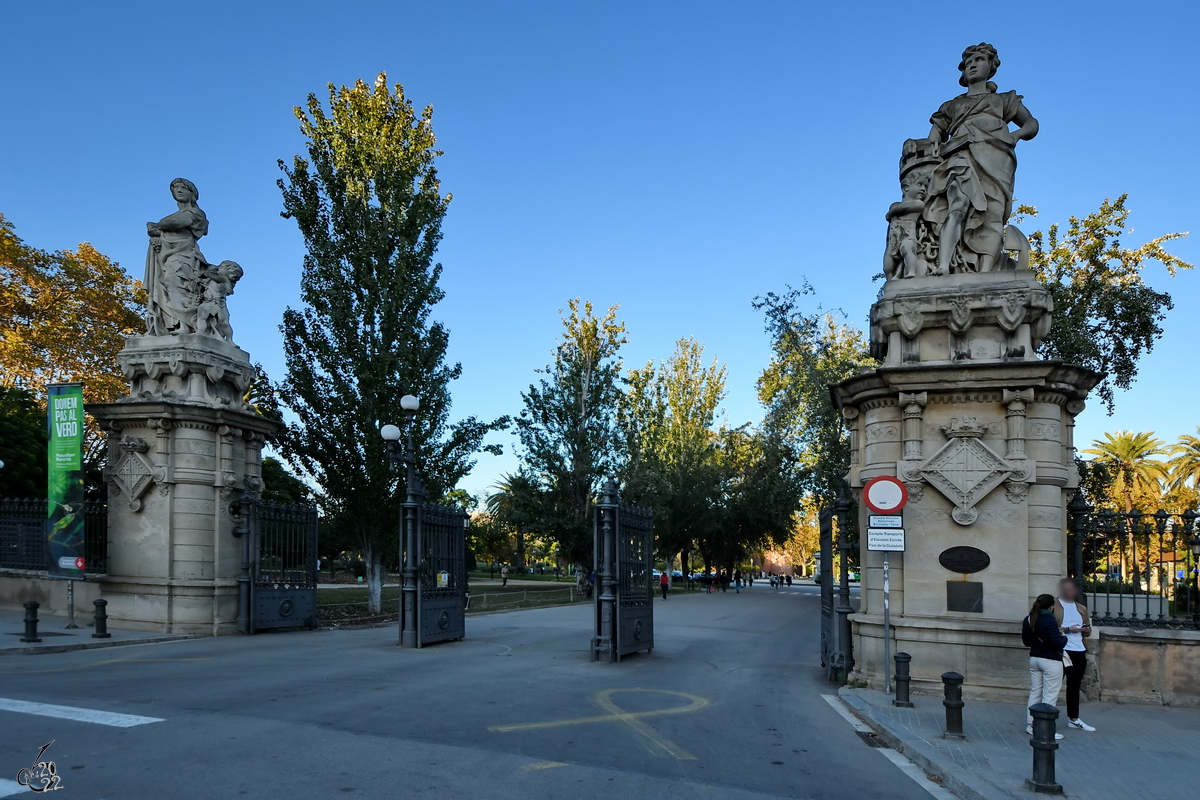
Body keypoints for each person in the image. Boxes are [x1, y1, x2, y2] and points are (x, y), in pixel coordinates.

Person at [923, 43, 1039, 275]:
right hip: (960, 155)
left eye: (978, 60)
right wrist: (931, 145)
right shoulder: (952, 106)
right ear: (963, 73)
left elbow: (1032, 124)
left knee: (992, 214)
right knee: (957, 205)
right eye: (968, 63)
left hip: (997, 158)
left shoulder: (1004, 100)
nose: (972, 65)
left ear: (991, 67)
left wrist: (1015, 135)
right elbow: (935, 136)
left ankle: (986, 272)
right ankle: (943, 266)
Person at [1022, 593, 1066, 738]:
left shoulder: (1028, 619)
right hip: (1051, 661)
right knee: (1049, 695)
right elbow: (1056, 643)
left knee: (1035, 692)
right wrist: (1064, 638)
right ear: (1051, 606)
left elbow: (1026, 642)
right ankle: (1045, 729)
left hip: (1035, 658)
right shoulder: (1049, 620)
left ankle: (1031, 725)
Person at [1055, 578, 1095, 731]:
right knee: (1054, 685)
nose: (1068, 592)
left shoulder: (1081, 608)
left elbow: (1088, 630)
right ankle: (1044, 718)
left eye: (1071, 589)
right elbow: (1051, 628)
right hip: (1062, 650)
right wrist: (1068, 629)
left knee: (1074, 686)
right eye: (1065, 588)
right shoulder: (1055, 606)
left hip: (1079, 649)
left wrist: (1086, 629)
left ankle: (1074, 718)